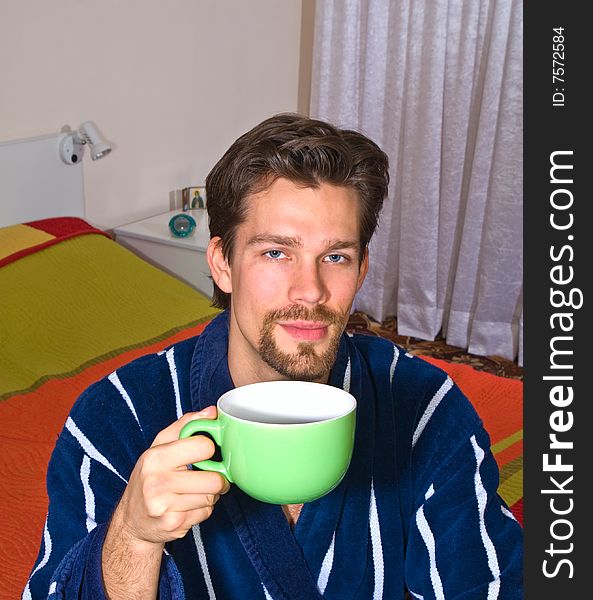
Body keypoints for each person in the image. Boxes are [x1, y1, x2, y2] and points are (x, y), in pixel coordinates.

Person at [24, 113, 523, 599]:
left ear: (362, 269)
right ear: (222, 263)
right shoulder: (114, 418)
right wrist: (133, 536)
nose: (310, 290)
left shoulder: (425, 407)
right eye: (276, 253)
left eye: (335, 257)